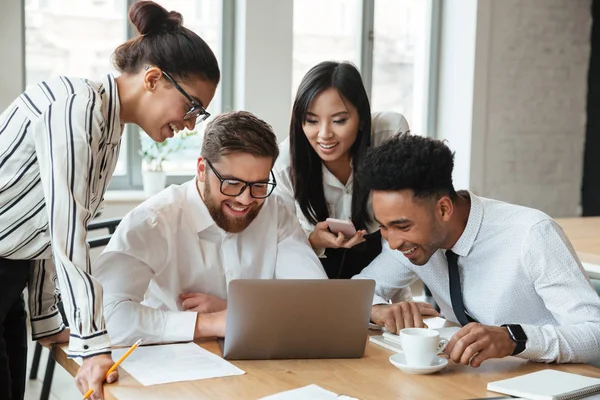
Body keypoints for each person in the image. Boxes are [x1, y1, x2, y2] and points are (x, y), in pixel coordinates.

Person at [0, 1, 220, 398]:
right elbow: (65, 231)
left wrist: (49, 320)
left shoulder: (108, 128)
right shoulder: (77, 107)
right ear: (153, 79)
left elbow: (43, 231)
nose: (189, 124)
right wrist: (92, 343)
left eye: (198, 114)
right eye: (192, 106)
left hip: (10, 273)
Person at [353, 134, 600, 366]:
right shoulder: (410, 243)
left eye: (402, 226)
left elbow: (595, 333)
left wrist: (514, 339)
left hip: (549, 381)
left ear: (443, 209)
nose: (393, 243)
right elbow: (360, 289)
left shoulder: (532, 233)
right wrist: (378, 310)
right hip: (474, 380)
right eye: (384, 227)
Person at [92, 111, 327, 345]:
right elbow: (102, 317)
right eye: (232, 183)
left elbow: (315, 299)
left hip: (259, 362)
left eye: (259, 185)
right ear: (202, 170)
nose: (245, 199)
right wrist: (208, 323)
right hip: (172, 364)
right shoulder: (154, 221)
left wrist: (233, 310)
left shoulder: (274, 210)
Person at [274, 61, 410, 281]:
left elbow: (407, 217)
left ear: (362, 119)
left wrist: (385, 297)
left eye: (339, 120)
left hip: (384, 259)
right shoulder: (286, 162)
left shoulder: (389, 135)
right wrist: (312, 240)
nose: (324, 134)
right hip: (314, 268)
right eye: (311, 121)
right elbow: (280, 247)